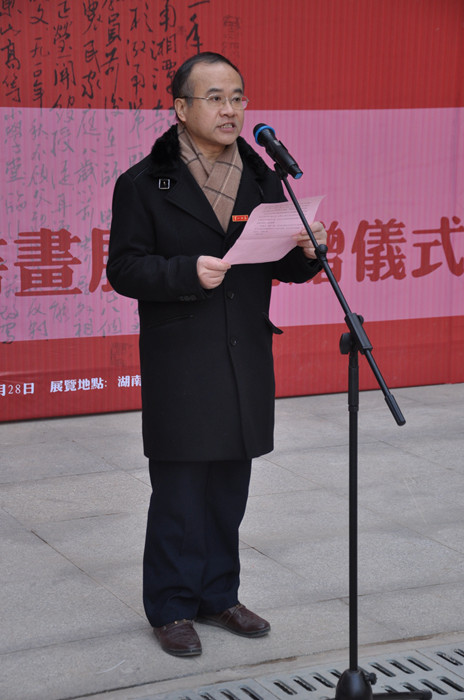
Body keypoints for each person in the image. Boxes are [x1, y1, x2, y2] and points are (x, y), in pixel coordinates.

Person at [107, 52, 327, 657]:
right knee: (179, 492)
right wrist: (185, 271)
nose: (230, 110)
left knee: (230, 488)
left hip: (244, 352)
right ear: (181, 108)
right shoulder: (143, 183)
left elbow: (278, 263)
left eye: (237, 97)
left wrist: (307, 253)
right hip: (183, 358)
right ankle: (172, 606)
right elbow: (123, 268)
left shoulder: (262, 178)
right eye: (215, 98)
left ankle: (218, 595)